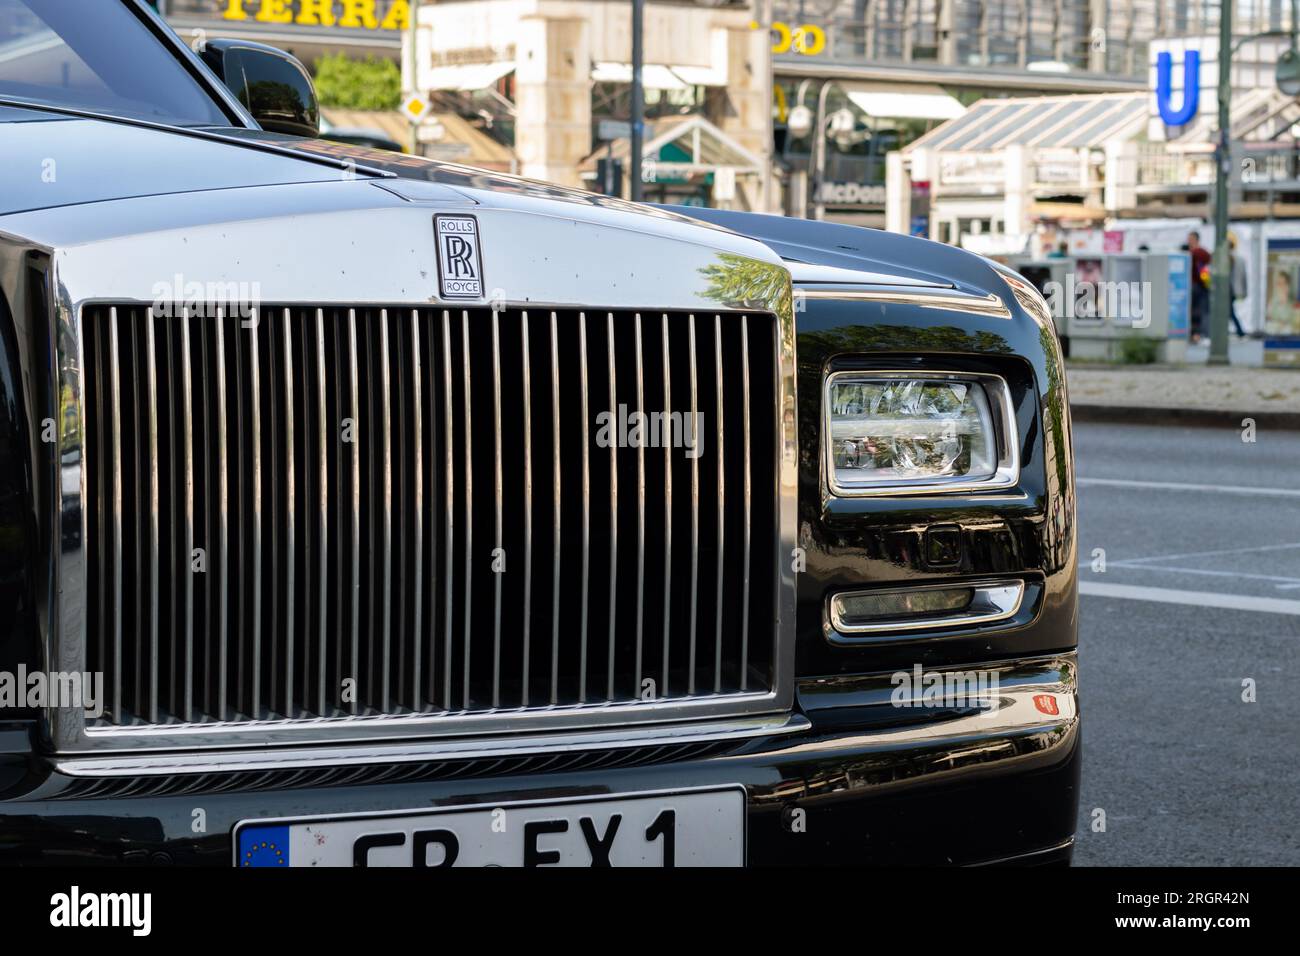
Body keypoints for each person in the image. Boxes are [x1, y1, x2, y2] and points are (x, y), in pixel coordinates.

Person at [1187, 231, 1211, 342]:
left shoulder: (1196, 253)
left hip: (1197, 285)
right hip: (1200, 285)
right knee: (1201, 310)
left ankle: (1198, 334)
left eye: (1190, 238)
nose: (1188, 241)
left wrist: (1205, 282)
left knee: (1197, 310)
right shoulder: (1202, 252)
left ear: (1195, 239)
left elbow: (1201, 270)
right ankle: (1199, 334)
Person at [1228, 232, 1247, 337]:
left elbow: (1243, 277)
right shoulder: (1237, 259)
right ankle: (1240, 332)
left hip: (1231, 290)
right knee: (1229, 312)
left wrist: (1244, 291)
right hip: (1230, 290)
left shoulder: (1238, 259)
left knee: (1230, 312)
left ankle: (1240, 332)